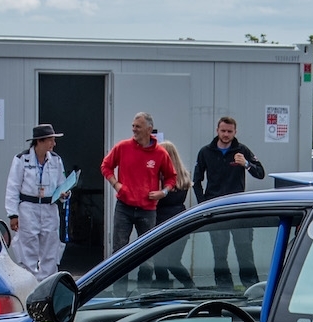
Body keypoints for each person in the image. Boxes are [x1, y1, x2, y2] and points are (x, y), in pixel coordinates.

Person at [193, 116, 265, 286]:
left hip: (238, 208)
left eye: (229, 131)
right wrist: (203, 203)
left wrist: (246, 164)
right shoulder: (205, 152)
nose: (226, 134)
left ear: (235, 132)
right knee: (219, 252)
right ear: (217, 130)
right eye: (223, 131)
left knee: (244, 250)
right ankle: (224, 288)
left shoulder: (242, 150)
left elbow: (260, 173)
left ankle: (251, 286)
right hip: (216, 207)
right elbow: (196, 181)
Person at [101, 112, 175, 265]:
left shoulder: (160, 153)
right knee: (119, 251)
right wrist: (116, 184)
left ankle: (144, 288)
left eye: (138, 127)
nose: (134, 130)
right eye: (133, 126)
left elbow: (171, 177)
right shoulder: (122, 147)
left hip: (147, 209)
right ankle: (119, 289)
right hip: (124, 206)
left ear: (149, 129)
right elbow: (105, 166)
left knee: (147, 253)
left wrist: (163, 192)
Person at [5, 124, 67, 277]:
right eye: (50, 140)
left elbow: (62, 183)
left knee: (50, 249)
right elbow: (13, 187)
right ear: (40, 141)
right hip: (28, 208)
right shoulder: (22, 159)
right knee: (28, 248)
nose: (54, 144)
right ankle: (29, 285)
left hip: (49, 208)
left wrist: (65, 194)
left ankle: (48, 286)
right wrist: (13, 214)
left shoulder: (56, 160)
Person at [151, 141, 194, 289]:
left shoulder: (160, 178)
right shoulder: (184, 176)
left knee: (160, 261)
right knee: (174, 260)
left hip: (161, 221)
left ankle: (163, 289)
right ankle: (190, 286)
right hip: (180, 221)